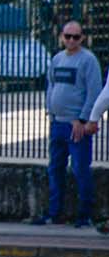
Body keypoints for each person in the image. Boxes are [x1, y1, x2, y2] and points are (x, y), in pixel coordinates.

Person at [35, 20, 101, 228]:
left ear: (82, 38)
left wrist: (83, 119)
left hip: (76, 125)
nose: (71, 40)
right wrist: (51, 112)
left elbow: (94, 92)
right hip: (57, 123)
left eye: (76, 37)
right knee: (55, 168)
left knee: (80, 169)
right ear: (61, 37)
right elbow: (51, 85)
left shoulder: (88, 60)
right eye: (68, 36)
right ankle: (55, 213)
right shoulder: (57, 59)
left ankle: (84, 215)